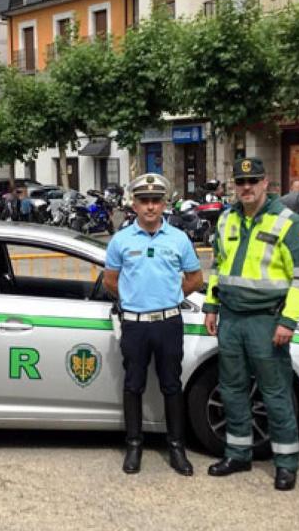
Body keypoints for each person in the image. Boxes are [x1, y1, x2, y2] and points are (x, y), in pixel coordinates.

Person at [203, 158, 299, 491]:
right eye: (240, 182)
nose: (246, 187)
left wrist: (288, 322)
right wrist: (211, 306)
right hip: (231, 318)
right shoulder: (226, 219)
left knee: (275, 393)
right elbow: (219, 267)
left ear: (266, 182)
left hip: (267, 321)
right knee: (233, 389)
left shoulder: (289, 223)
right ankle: (237, 454)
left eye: (253, 181)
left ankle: (286, 463)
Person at [104, 173, 203, 476]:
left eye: (155, 201)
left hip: (168, 322)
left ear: (164, 204)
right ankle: (134, 445)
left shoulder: (178, 239)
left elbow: (195, 278)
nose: (150, 207)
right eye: (144, 201)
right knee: (133, 385)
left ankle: (176, 448)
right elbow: (110, 280)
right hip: (134, 325)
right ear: (133, 204)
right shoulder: (120, 240)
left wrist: (171, 296)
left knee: (171, 385)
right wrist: (133, 299)